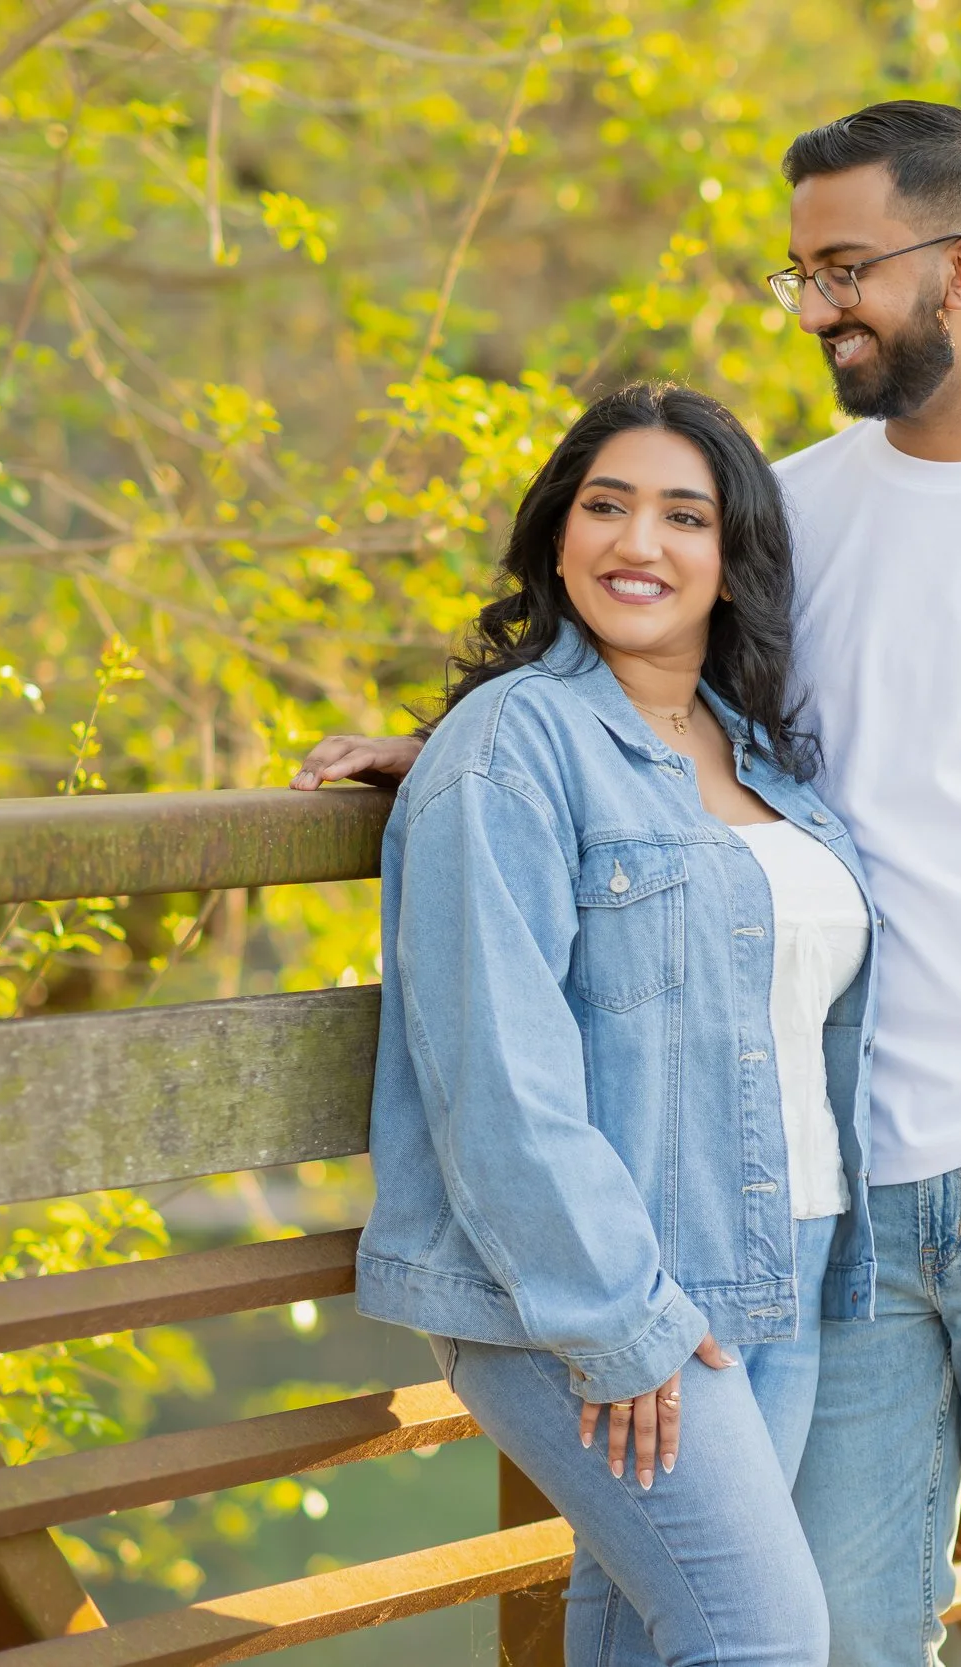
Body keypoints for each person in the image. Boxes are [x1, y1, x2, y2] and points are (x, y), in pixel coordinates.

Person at [298, 102, 961, 1667]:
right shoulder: (784, 512)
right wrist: (464, 742)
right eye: (801, 273)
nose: (817, 309)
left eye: (848, 269)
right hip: (831, 1189)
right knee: (839, 1633)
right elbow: (647, 675)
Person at [352, 381, 878, 1666]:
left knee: (652, 1636)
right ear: (556, 534)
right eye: (606, 505)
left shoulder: (759, 750)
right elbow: (496, 1073)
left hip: (779, 1254)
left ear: (733, 558)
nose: (639, 543)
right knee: (763, 1638)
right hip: (594, 1278)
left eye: (684, 516)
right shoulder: (508, 746)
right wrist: (616, 1319)